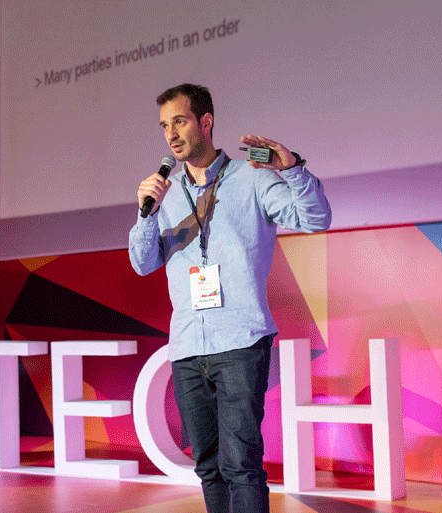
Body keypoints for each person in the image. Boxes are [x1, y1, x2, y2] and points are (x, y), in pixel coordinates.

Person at [128, 83, 331, 513]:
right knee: (208, 467)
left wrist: (293, 169)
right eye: (164, 126)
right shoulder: (165, 193)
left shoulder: (252, 177)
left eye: (179, 121)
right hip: (187, 346)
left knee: (242, 465)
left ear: (206, 122)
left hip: (240, 341)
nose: (171, 134)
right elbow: (142, 263)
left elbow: (314, 218)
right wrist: (145, 212)